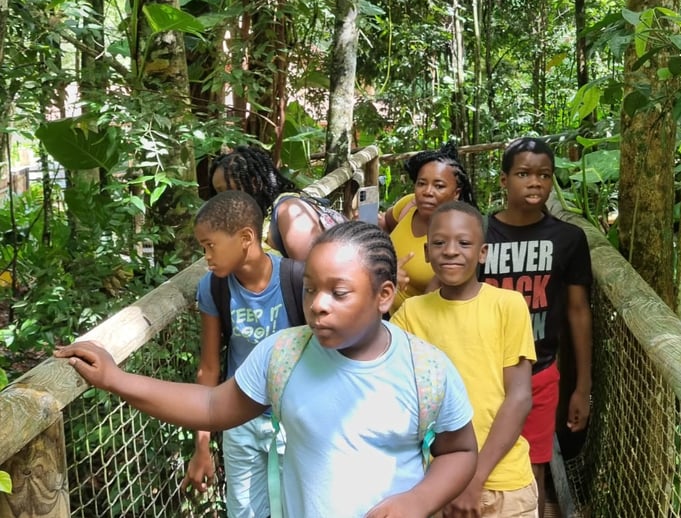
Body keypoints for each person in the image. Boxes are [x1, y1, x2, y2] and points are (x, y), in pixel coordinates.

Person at [55, 221, 478, 518]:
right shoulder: (284, 354)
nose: (318, 303)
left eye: (339, 292)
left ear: (384, 295)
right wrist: (115, 378)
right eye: (310, 288)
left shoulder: (425, 369)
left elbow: (459, 451)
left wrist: (419, 501)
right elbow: (211, 405)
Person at [392, 201, 538, 517]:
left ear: (482, 253)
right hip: (437, 484)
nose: (451, 251)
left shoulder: (509, 305)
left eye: (464, 243)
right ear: (428, 252)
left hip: (504, 483)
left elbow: (520, 397)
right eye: (440, 243)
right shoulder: (409, 316)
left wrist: (473, 478)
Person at [479, 137, 593, 517]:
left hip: (540, 373)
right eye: (523, 174)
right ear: (503, 180)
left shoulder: (569, 239)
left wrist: (582, 388)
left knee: (534, 468)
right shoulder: (478, 235)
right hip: (481, 373)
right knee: (476, 465)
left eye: (544, 175)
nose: (534, 183)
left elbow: (578, 312)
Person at [180, 190, 303, 517]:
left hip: (294, 419)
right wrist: (202, 445)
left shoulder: (296, 279)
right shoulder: (214, 287)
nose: (206, 256)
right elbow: (209, 368)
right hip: (239, 421)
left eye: (210, 245)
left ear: (246, 237)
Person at [379, 142, 477, 313]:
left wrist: (385, 278)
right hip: (382, 309)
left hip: (411, 328)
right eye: (422, 183)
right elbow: (385, 224)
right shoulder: (409, 205)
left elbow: (429, 310)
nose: (427, 192)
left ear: (456, 193)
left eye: (439, 186)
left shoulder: (456, 238)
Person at [209, 144, 343, 260]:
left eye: (226, 190)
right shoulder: (258, 216)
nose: (222, 200)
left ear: (255, 183)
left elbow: (314, 275)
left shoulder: (290, 211)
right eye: (218, 193)